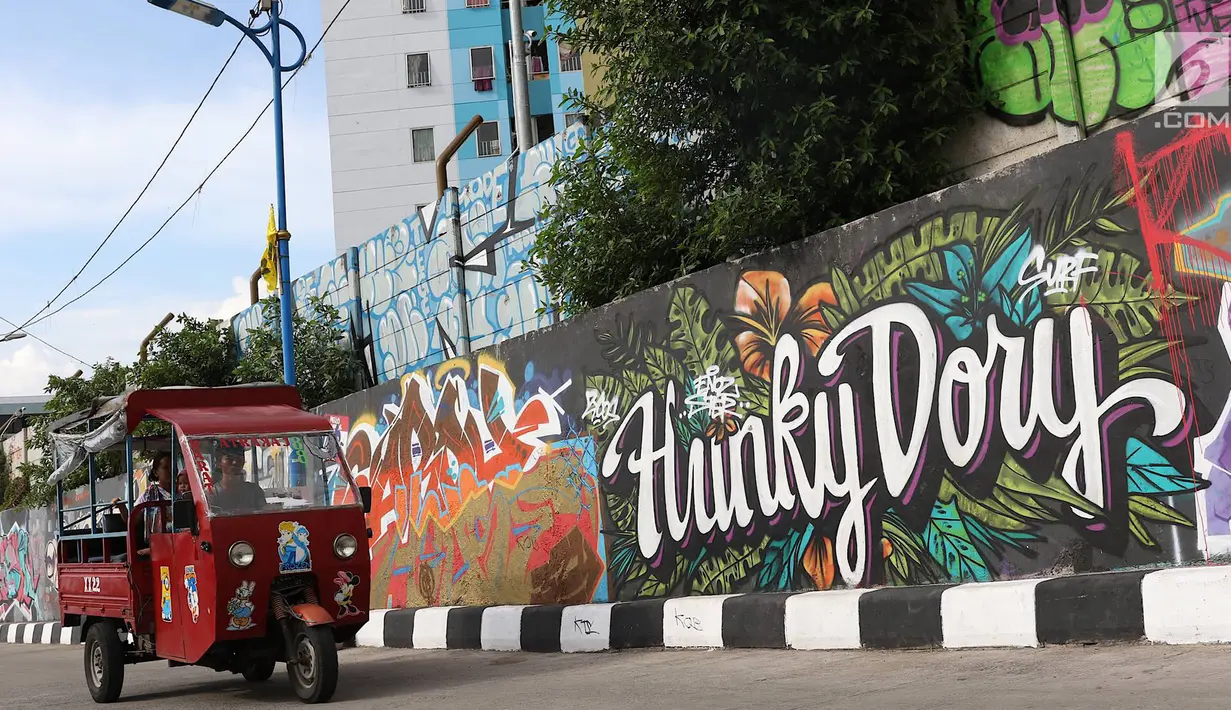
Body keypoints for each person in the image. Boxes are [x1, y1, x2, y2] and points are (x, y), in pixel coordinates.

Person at [111, 451, 173, 555]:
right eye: (166, 468)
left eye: (173, 466)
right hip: (161, 540)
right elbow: (132, 520)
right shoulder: (149, 494)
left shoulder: (184, 490)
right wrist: (121, 507)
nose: (171, 471)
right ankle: (156, 549)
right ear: (156, 472)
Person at [211, 443, 268, 512]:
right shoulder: (212, 495)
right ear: (218, 463)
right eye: (229, 458)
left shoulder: (255, 491)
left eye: (238, 458)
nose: (235, 462)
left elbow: (264, 516)